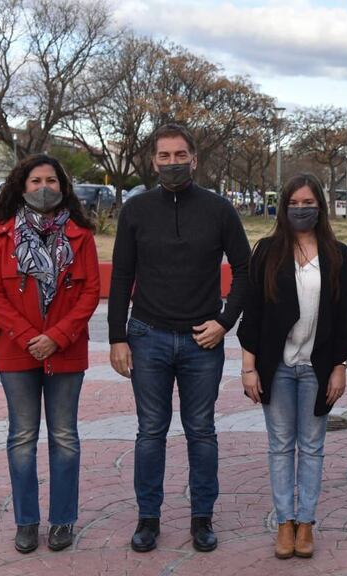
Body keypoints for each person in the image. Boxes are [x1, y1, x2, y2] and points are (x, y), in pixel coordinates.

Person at [108, 123, 251, 553]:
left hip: (201, 340)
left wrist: (225, 322)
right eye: (164, 156)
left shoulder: (219, 209)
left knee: (201, 431)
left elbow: (245, 269)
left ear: (194, 158)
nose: (172, 162)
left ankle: (201, 518)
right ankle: (148, 518)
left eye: (180, 154)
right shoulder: (136, 210)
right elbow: (121, 276)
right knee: (150, 431)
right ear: (153, 161)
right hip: (147, 335)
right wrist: (117, 336)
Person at [0, 154, 100, 554]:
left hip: (66, 353)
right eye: (35, 180)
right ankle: (26, 522)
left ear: (63, 187)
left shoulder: (81, 235)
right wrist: (32, 337)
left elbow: (89, 294)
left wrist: (57, 337)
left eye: (51, 180)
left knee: (65, 437)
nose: (44, 187)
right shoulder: (0, 234)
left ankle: (63, 521)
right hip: (17, 352)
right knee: (23, 437)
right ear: (22, 185)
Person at [237, 173, 347, 560]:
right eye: (294, 202)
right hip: (278, 366)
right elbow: (251, 314)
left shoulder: (338, 253)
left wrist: (340, 366)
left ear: (319, 206)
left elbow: (342, 318)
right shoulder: (267, 251)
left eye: (308, 202)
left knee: (313, 447)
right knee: (280, 446)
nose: (301, 209)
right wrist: (248, 367)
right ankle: (284, 523)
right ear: (283, 206)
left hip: (318, 367)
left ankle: (306, 523)